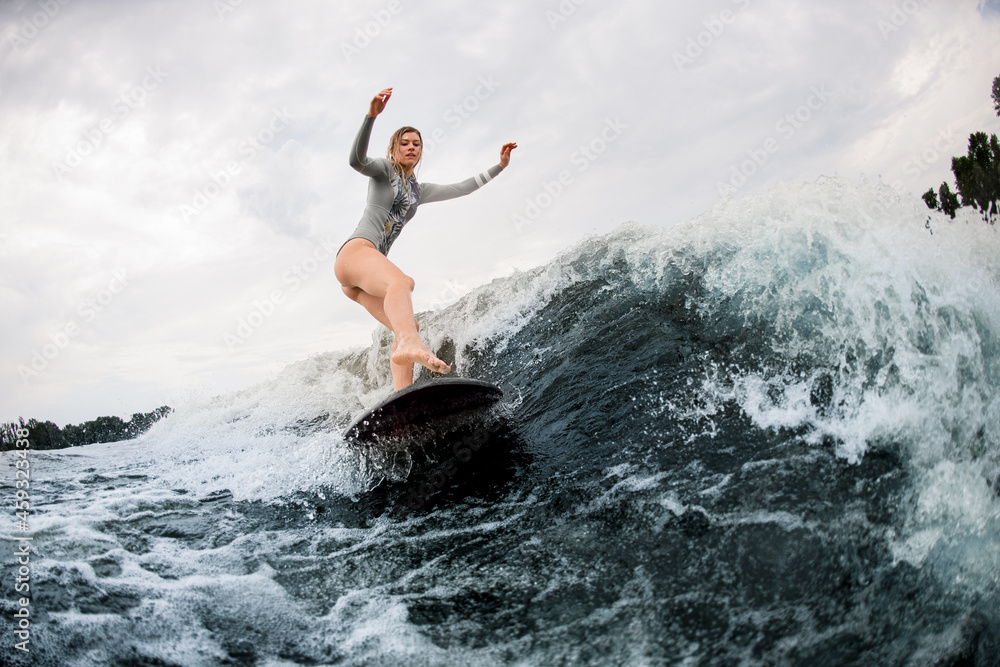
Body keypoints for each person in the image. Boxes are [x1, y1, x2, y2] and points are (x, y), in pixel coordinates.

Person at [335, 87, 517, 390]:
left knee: (406, 325)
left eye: (416, 144)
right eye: (404, 143)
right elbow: (356, 160)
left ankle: (401, 398)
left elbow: (463, 188)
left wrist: (499, 166)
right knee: (401, 283)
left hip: (354, 284)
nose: (411, 147)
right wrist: (370, 116)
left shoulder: (419, 192)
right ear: (393, 149)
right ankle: (410, 344)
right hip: (356, 253)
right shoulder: (383, 170)